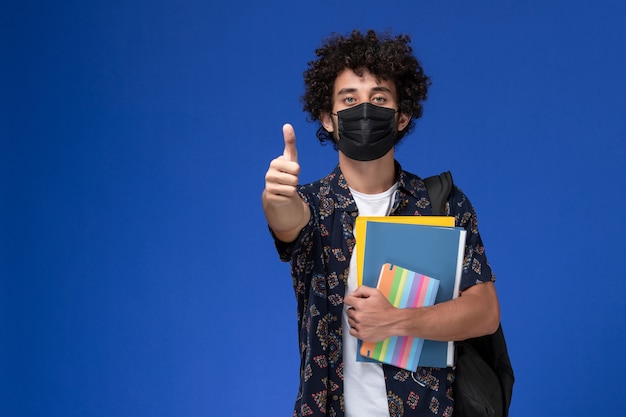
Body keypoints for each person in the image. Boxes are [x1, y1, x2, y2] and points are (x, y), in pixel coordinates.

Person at [262, 29, 500, 417]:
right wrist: (275, 196)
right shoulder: (312, 205)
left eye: (379, 98)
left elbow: (485, 311)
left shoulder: (443, 204)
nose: (365, 108)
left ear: (401, 116)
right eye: (349, 99)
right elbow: (286, 221)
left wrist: (398, 321)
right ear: (327, 118)